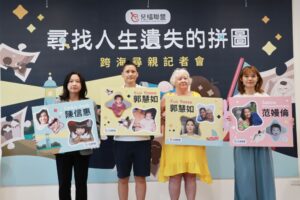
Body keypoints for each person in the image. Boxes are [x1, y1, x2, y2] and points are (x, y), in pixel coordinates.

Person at [158, 68, 212, 200]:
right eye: (180, 78)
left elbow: (203, 119)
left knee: (191, 175)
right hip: (173, 143)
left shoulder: (196, 97)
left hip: (193, 141)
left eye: (185, 77)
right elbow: (156, 116)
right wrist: (163, 116)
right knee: (174, 175)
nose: (183, 80)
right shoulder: (167, 97)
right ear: (174, 82)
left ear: (189, 81)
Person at [233, 66, 276, 200]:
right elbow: (233, 125)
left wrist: (286, 121)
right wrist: (229, 120)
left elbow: (274, 119)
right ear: (241, 79)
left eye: (253, 76)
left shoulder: (265, 97)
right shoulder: (236, 99)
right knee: (244, 178)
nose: (250, 79)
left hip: (262, 144)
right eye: (246, 76)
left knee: (264, 177)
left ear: (258, 78)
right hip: (242, 146)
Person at [114, 61, 151, 200]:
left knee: (140, 178)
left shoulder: (145, 92)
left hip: (142, 141)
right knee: (122, 178)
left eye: (133, 71)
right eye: (127, 71)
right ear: (122, 75)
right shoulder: (114, 94)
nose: (130, 74)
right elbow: (110, 116)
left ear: (137, 74)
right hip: (121, 141)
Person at [55, 72, 93, 200]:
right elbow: (50, 125)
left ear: (82, 85)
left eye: (77, 81)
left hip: (83, 150)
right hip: (63, 151)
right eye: (71, 81)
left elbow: (96, 126)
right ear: (66, 84)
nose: (74, 84)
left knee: (81, 184)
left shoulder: (89, 103)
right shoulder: (57, 102)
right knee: (64, 184)